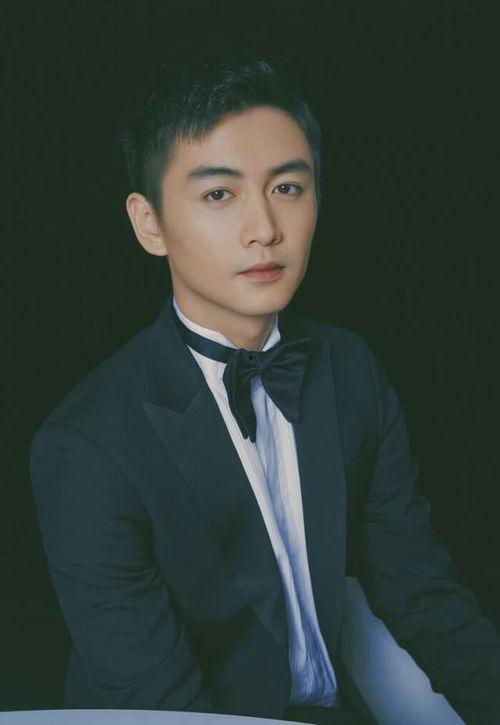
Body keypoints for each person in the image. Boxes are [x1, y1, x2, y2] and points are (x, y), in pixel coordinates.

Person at [29, 54, 500, 725]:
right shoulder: (84, 445)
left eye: (287, 187)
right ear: (149, 223)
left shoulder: (349, 367)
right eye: (219, 195)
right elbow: (159, 704)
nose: (265, 230)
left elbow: (424, 594)